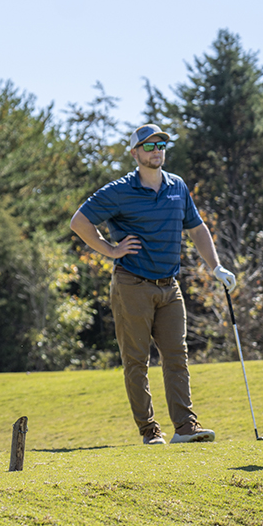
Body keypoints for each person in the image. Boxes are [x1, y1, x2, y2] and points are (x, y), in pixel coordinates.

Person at [70, 124, 237, 445]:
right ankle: (149, 431)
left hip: (169, 287)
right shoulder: (119, 190)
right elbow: (79, 222)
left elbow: (198, 229)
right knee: (136, 360)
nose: (156, 150)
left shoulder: (177, 186)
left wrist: (215, 266)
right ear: (134, 153)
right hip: (132, 284)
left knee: (177, 356)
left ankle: (185, 427)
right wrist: (111, 250)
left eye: (161, 144)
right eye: (148, 146)